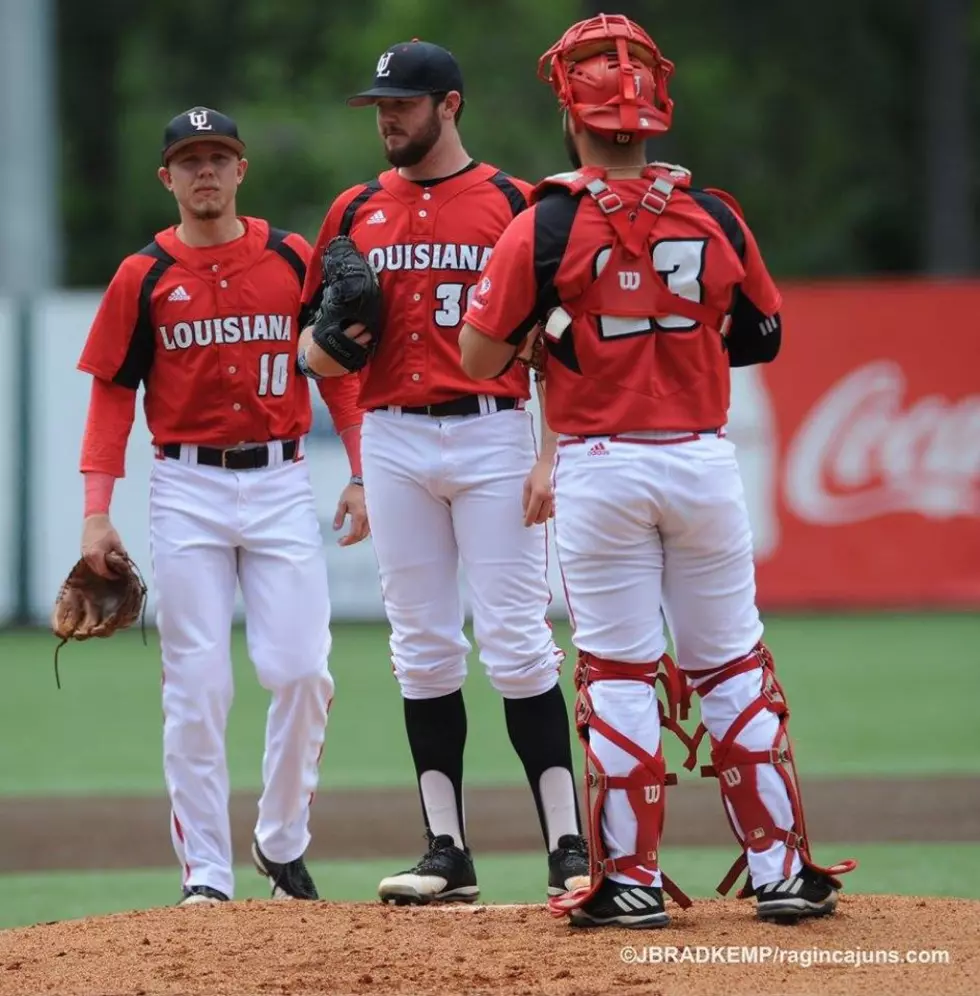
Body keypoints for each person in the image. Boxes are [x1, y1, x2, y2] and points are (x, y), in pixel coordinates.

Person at [458, 14, 856, 928]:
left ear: (573, 111)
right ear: (653, 113)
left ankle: (631, 881)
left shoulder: (544, 222)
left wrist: (555, 328)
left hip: (599, 466)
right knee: (731, 666)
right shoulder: (712, 212)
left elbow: (479, 360)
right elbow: (763, 333)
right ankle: (782, 869)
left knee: (620, 671)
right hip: (702, 460)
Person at [297, 40, 589, 905]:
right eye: (380, 104)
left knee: (516, 641)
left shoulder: (513, 202)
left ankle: (570, 849)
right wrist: (322, 347)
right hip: (392, 437)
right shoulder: (353, 209)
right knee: (421, 651)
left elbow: (558, 345)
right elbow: (313, 346)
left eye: (404, 102)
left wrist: (548, 453)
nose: (388, 116)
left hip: (494, 431)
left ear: (449, 105)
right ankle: (445, 852)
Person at [75, 106, 367, 906]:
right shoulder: (144, 275)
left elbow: (337, 367)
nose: (206, 171)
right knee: (198, 688)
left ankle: (279, 845)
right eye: (189, 160)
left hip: (279, 479)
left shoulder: (289, 258)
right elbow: (111, 398)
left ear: (242, 171)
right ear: (166, 178)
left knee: (302, 670)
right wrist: (98, 510)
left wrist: (362, 470)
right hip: (187, 488)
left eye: (220, 157)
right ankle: (206, 871)